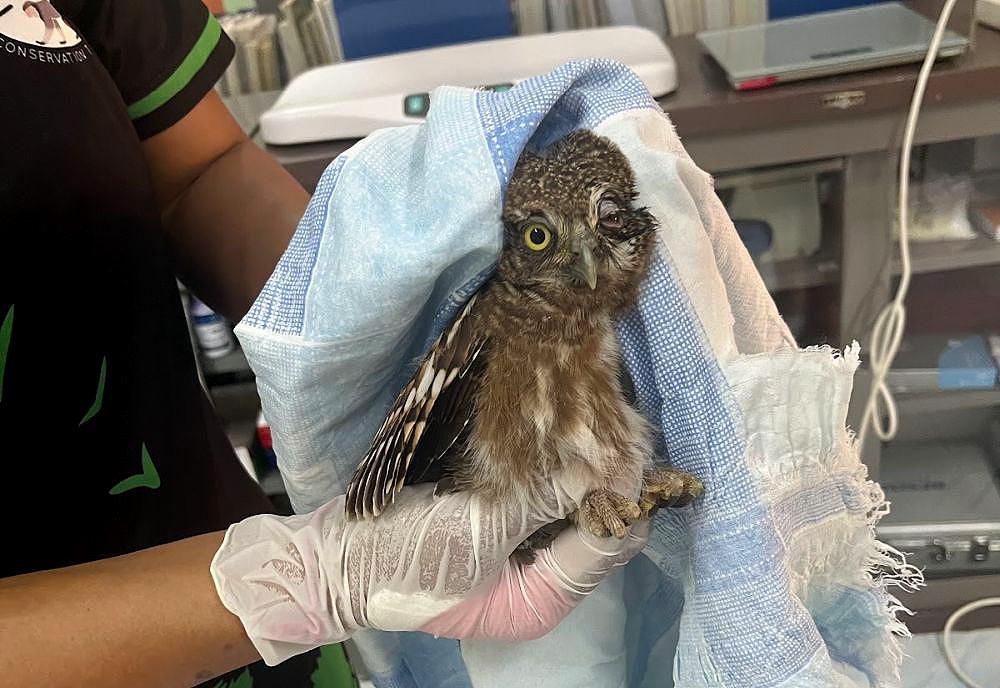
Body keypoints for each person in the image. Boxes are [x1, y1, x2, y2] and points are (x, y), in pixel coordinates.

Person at [0, 2, 646, 686]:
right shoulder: (311, 583)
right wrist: (308, 581)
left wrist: (387, 327)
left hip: (245, 596)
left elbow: (198, 169)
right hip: (247, 601)